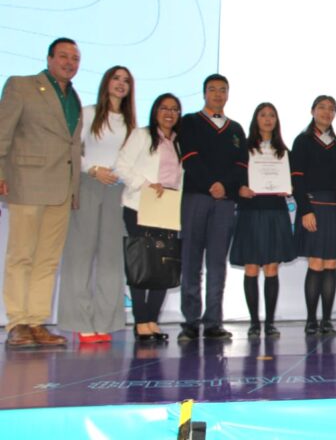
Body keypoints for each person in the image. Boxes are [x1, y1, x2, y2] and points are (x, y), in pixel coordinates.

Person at [0, 37, 82, 348]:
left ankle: (36, 322)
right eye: (63, 56)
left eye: (75, 58)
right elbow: (2, 131)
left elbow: (72, 146)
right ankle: (17, 322)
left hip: (61, 189)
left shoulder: (74, 98)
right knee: (21, 255)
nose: (69, 63)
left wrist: (74, 189)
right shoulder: (21, 86)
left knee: (48, 260)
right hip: (28, 181)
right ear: (49, 59)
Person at [57, 66, 136, 344]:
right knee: (80, 255)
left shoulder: (131, 124)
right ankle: (80, 321)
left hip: (117, 192)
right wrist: (93, 170)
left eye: (126, 81)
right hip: (89, 185)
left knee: (111, 259)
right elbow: (74, 150)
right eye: (116, 78)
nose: (121, 84)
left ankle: (106, 321)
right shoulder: (88, 113)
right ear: (106, 83)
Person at [177, 74, 248, 341]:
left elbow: (241, 165)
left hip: (225, 203)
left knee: (217, 263)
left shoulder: (236, 129)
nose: (218, 94)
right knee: (191, 261)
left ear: (228, 95)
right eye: (213, 90)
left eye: (223, 90)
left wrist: (224, 187)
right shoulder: (191, 122)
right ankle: (191, 322)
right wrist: (210, 184)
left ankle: (214, 321)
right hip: (196, 197)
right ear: (204, 93)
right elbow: (190, 157)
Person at [114, 93, 183, 342]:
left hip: (168, 210)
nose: (169, 113)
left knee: (163, 265)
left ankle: (153, 320)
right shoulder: (141, 135)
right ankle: (141, 321)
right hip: (139, 206)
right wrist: (144, 185)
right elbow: (121, 165)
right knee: (142, 263)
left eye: (175, 109)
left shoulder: (180, 142)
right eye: (164, 108)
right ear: (155, 111)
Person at [231, 102, 295, 338]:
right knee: (251, 266)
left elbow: (292, 181)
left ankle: (269, 323)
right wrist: (240, 190)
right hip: (250, 211)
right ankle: (254, 322)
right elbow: (235, 179)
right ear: (255, 119)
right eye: (263, 115)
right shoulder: (244, 149)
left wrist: (287, 188)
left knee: (271, 267)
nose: (268, 119)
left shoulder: (283, 151)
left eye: (272, 115)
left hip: (275, 211)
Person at [291, 96, 336, 336]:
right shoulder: (302, 141)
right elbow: (297, 178)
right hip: (313, 207)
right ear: (312, 111)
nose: (327, 112)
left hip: (335, 210)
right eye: (322, 108)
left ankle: (326, 320)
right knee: (315, 263)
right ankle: (310, 320)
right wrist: (305, 209)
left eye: (331, 109)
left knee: (331, 264)